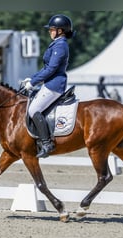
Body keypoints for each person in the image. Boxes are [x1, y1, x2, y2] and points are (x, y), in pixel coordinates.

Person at [22, 14, 75, 158]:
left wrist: (33, 83)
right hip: (49, 83)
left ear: (60, 31)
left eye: (52, 29)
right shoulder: (57, 43)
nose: (49, 31)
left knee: (33, 110)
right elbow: (46, 68)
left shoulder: (61, 45)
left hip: (54, 85)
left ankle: (47, 143)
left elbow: (51, 69)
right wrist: (31, 79)